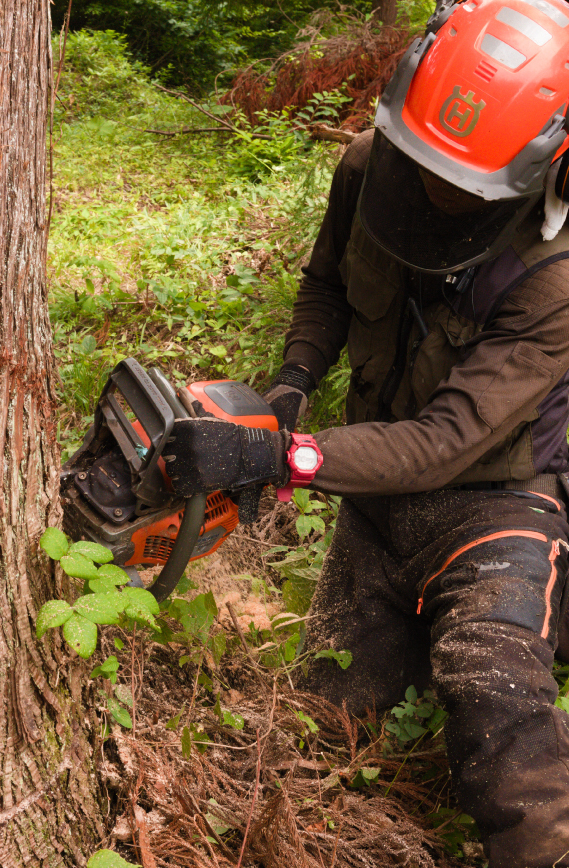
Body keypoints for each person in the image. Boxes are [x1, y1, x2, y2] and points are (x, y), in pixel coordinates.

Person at [160, 0, 569, 864]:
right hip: (375, 502)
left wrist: (279, 457)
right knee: (323, 721)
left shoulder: (552, 273)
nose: (433, 189)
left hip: (497, 503)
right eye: (422, 162)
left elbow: (445, 442)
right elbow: (327, 285)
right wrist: (293, 385)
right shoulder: (371, 165)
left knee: (494, 700)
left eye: (463, 182)